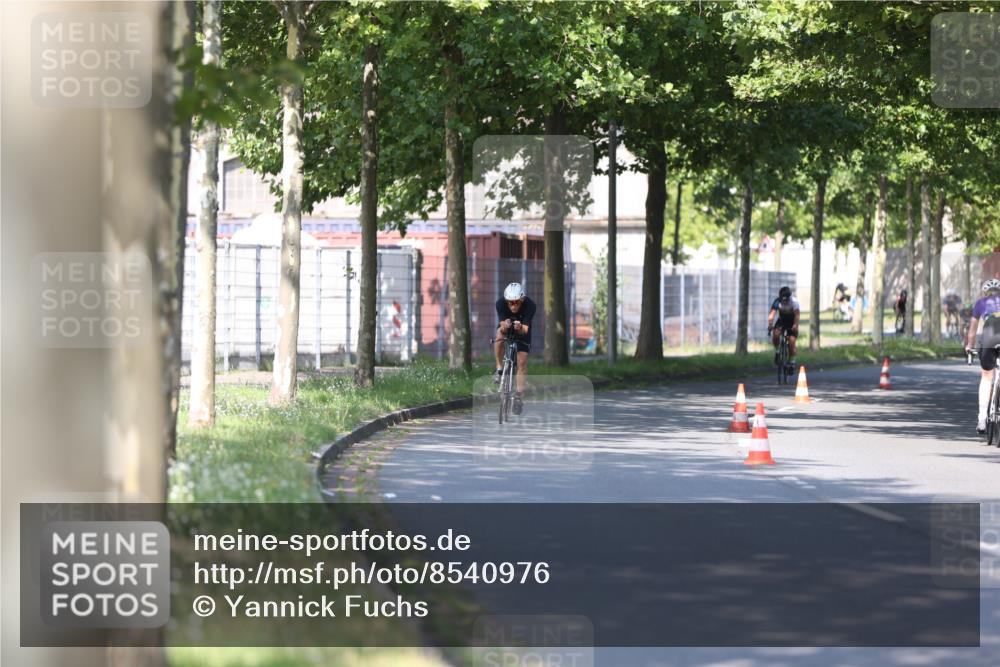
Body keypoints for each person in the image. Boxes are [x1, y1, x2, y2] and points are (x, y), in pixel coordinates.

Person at [494, 282, 536, 415]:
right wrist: (505, 326)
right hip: (507, 327)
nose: (513, 306)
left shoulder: (530, 305)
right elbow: (501, 326)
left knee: (522, 362)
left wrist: (519, 327)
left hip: (522, 330)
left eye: (517, 302)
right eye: (510, 303)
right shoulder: (500, 303)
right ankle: (499, 368)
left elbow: (525, 330)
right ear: (506, 302)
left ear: (522, 300)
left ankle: (518, 396)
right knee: (499, 335)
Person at [966, 278, 1000, 434]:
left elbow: (972, 331)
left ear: (985, 293)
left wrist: (969, 347)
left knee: (986, 376)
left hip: (989, 334)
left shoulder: (981, 303)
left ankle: (981, 419)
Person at [767, 286, 800, 370]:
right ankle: (777, 351)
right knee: (776, 334)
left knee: (792, 342)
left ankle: (791, 361)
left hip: (792, 322)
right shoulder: (777, 301)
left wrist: (795, 325)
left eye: (786, 300)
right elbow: (772, 314)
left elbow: (797, 315)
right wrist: (770, 324)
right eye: (783, 300)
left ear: (790, 297)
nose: (784, 301)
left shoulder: (794, 302)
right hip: (782, 321)